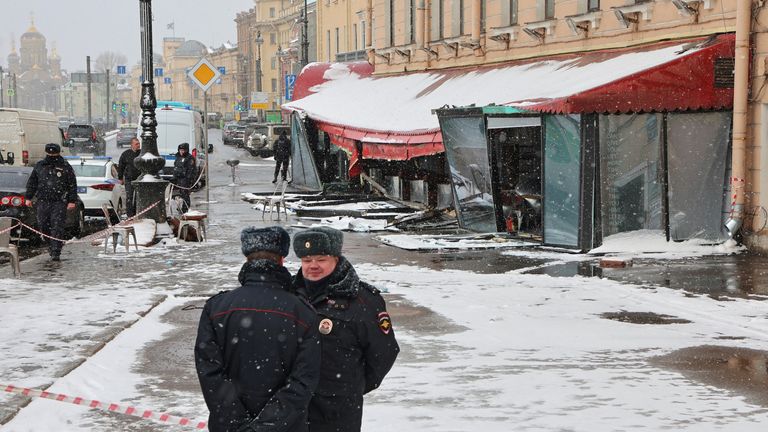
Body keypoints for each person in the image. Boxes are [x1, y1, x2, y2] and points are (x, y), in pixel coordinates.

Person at [196, 226, 320, 432]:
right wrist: (266, 425)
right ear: (281, 260)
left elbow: (210, 373)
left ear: (247, 260)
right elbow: (303, 380)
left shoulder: (218, 307)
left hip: (228, 427)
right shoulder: (302, 312)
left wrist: (237, 422)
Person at [292, 227, 399, 432]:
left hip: (338, 410)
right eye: (307, 260)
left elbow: (384, 353)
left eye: (321, 259)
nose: (313, 266)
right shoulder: (289, 295)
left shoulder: (363, 300)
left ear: (336, 258)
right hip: (293, 406)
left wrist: (351, 387)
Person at [25, 143, 78, 262]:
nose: (51, 155)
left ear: (58, 153)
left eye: (53, 153)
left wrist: (72, 200)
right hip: (43, 200)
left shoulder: (65, 166)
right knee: (43, 225)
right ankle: (52, 244)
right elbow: (32, 182)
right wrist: (28, 197)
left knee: (57, 226)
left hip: (59, 201)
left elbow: (72, 185)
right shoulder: (40, 165)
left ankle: (56, 251)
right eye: (49, 153)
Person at [117, 137, 141, 217]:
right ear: (132, 145)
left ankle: (137, 213)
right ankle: (130, 215)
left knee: (138, 198)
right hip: (129, 179)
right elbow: (121, 166)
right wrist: (120, 178)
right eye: (136, 144)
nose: (138, 145)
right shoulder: (126, 154)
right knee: (129, 197)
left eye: (139, 143)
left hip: (140, 179)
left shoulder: (141, 154)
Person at [172, 142, 196, 210]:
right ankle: (179, 206)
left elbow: (191, 170)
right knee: (176, 194)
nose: (181, 152)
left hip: (185, 179)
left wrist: (188, 180)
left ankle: (185, 208)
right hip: (177, 178)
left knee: (185, 194)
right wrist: (174, 177)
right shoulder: (178, 157)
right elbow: (176, 167)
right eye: (180, 150)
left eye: (183, 150)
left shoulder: (190, 158)